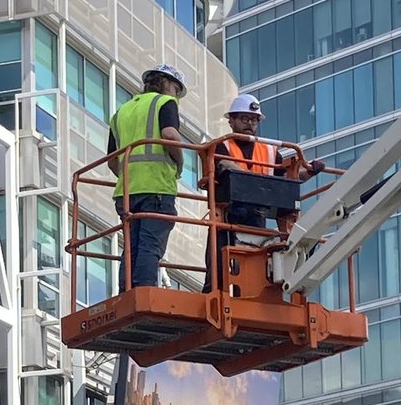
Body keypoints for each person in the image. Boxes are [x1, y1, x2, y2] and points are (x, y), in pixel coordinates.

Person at [202, 93, 326, 292]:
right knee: (219, 268)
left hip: (257, 216)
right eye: (244, 118)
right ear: (231, 121)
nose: (250, 123)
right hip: (228, 217)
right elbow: (224, 164)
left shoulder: (268, 150)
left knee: (256, 267)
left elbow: (284, 181)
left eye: (254, 120)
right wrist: (251, 179)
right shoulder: (222, 145)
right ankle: (214, 293)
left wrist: (309, 172)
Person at [107, 64, 186, 291]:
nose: (176, 96)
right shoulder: (165, 103)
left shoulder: (121, 112)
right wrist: (179, 163)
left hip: (127, 192)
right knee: (150, 244)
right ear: (169, 84)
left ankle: (127, 292)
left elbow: (112, 160)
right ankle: (144, 291)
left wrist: (128, 176)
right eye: (176, 89)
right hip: (157, 186)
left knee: (131, 246)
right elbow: (170, 134)